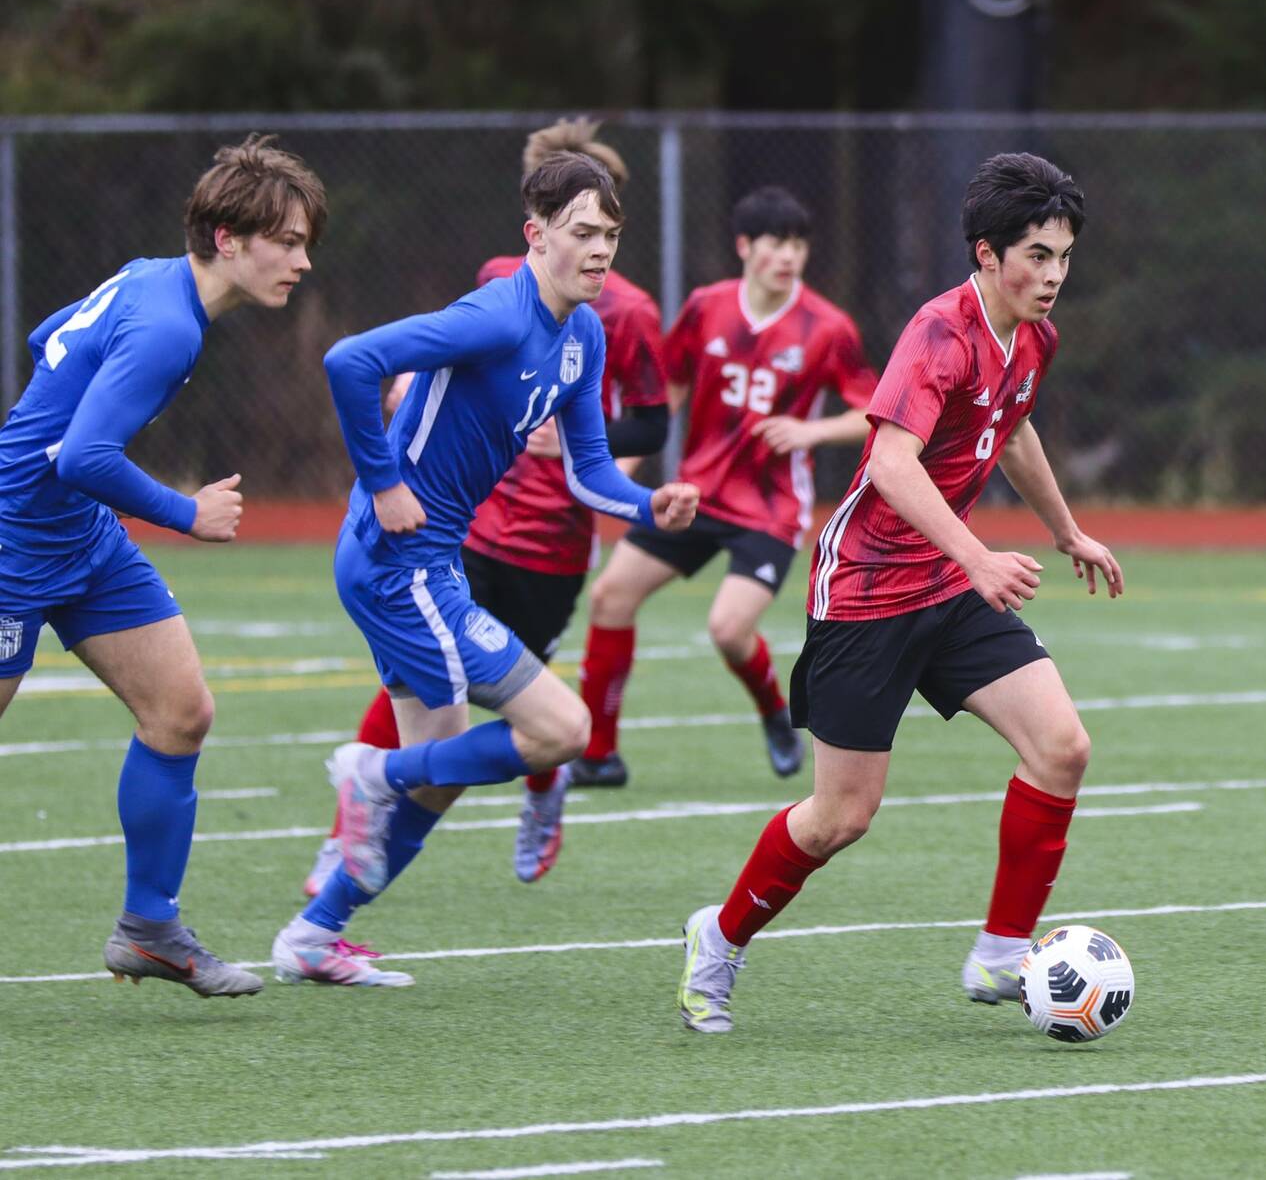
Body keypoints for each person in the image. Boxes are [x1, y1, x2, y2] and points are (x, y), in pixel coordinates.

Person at [672, 151, 1124, 1034]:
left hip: (947, 579)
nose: (1054, 274)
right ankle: (718, 940)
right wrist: (982, 557)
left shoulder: (1033, 336)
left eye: (1064, 255)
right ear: (987, 254)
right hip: (866, 589)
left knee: (1062, 747)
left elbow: (1013, 425)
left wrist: (1065, 529)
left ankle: (1001, 952)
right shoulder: (939, 332)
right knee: (843, 815)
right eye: (1037, 254)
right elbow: (888, 461)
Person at [269, 151, 698, 987]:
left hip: (427, 565)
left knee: (444, 777)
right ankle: (371, 771)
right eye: (581, 232)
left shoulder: (585, 332)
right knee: (561, 731)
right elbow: (350, 360)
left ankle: (314, 936)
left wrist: (650, 507)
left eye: (610, 234)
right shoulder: (498, 315)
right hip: (401, 561)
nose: (600, 249)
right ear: (535, 236)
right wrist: (384, 484)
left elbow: (589, 470)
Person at [0, 135, 327, 996]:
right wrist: (189, 512)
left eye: (304, 242)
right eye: (286, 241)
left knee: (181, 712)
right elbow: (81, 454)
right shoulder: (169, 325)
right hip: (15, 540)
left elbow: (47, 340)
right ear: (229, 237)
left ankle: (150, 928)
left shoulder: (153, 279)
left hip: (82, 535)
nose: (302, 260)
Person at [570, 186, 877, 787]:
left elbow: (872, 409)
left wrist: (809, 431)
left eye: (797, 245)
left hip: (770, 509)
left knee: (729, 630)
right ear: (744, 247)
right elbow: (667, 393)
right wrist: (621, 472)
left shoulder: (826, 327)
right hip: (697, 494)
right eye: (775, 244)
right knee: (610, 596)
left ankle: (772, 710)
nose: (788, 256)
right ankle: (599, 755)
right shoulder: (708, 307)